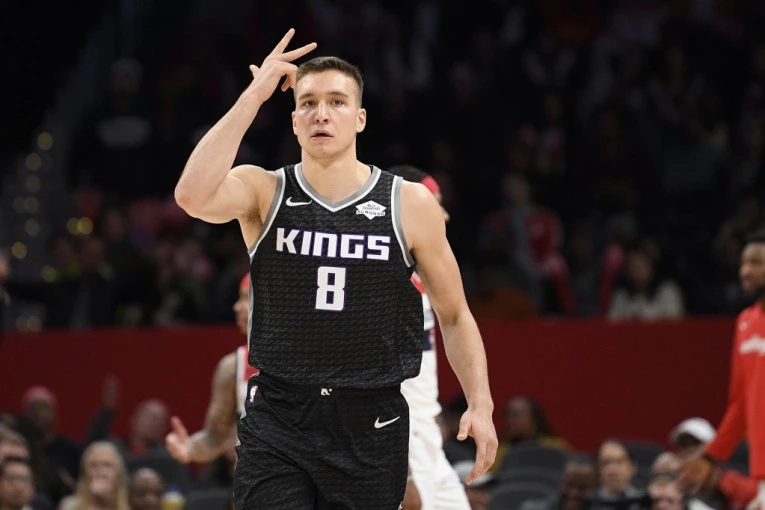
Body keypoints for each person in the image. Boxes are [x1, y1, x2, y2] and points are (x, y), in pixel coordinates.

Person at [173, 29, 497, 509]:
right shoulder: (263, 190)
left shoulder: (409, 203)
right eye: (307, 103)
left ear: (360, 118)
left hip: (371, 417)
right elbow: (191, 195)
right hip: (280, 414)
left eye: (336, 102)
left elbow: (454, 315)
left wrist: (481, 404)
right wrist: (253, 95)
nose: (321, 114)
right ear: (294, 121)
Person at [389, 165, 469, 509]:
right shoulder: (384, 277)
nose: (445, 215)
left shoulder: (422, 275)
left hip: (427, 435)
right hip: (400, 442)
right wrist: (404, 472)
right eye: (436, 204)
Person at [679, 229, 765, 510]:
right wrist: (710, 456)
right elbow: (740, 405)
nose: (745, 271)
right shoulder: (746, 322)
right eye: (744, 263)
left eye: (756, 262)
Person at [165, 274, 257, 464]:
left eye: (245, 298)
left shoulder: (303, 360)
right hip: (256, 475)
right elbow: (215, 436)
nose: (237, 307)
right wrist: (190, 448)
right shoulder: (233, 366)